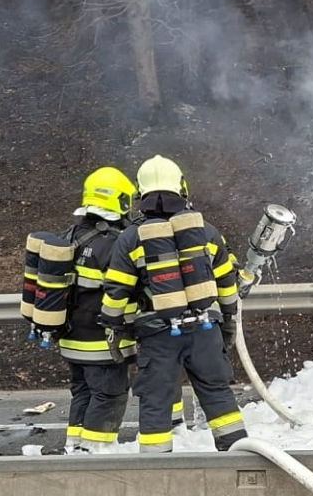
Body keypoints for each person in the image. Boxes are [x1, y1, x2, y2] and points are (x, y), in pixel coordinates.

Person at [99, 155, 247, 452]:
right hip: (205, 328)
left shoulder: (131, 238)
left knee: (156, 403)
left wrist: (114, 329)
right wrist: (228, 320)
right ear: (182, 187)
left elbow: (117, 292)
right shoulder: (207, 231)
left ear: (140, 193)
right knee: (218, 396)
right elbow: (227, 285)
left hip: (158, 334)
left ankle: (157, 475)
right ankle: (239, 465)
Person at [24, 167, 138, 453]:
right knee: (109, 395)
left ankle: (74, 448)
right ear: (121, 201)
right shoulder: (114, 245)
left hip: (70, 338)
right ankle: (93, 455)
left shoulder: (70, 235)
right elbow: (122, 292)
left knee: (83, 392)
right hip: (102, 342)